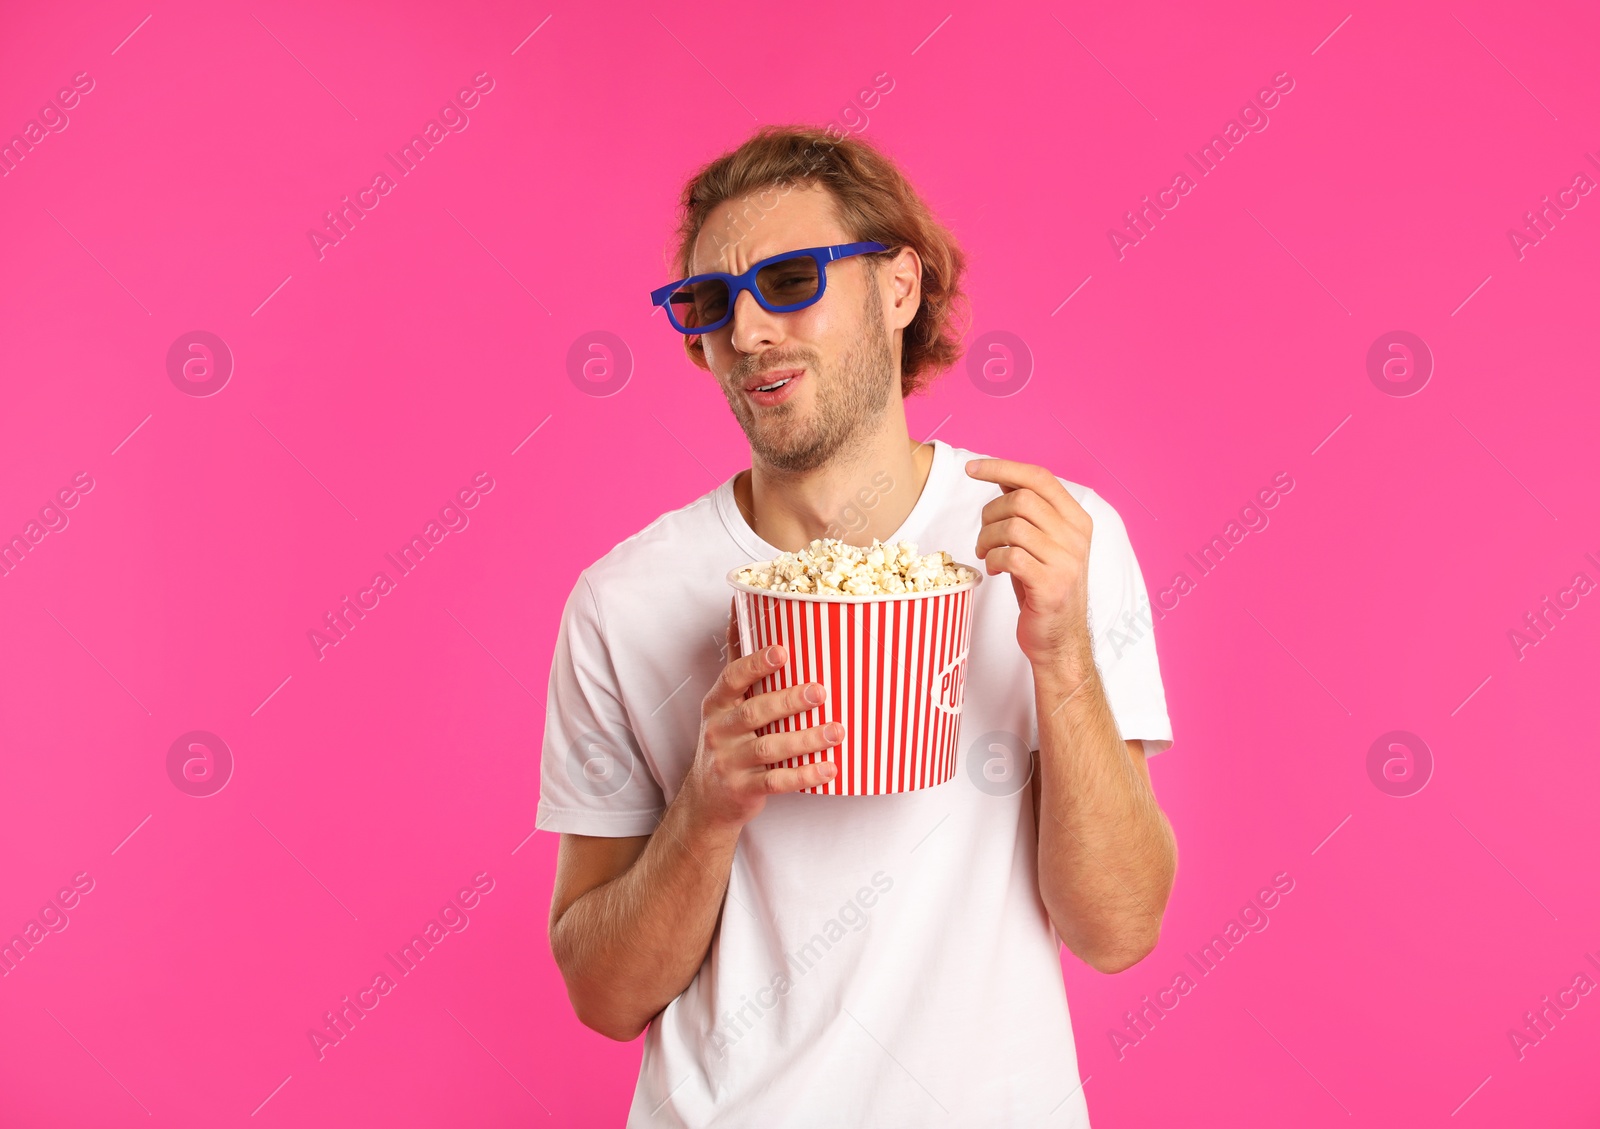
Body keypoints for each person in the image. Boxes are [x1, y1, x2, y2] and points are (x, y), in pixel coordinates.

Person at [537, 124, 1177, 1127]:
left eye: (791, 281)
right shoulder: (624, 600)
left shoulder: (1049, 540)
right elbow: (602, 994)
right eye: (710, 304)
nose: (745, 334)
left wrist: (1060, 657)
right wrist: (706, 807)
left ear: (897, 289)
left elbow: (1120, 927)